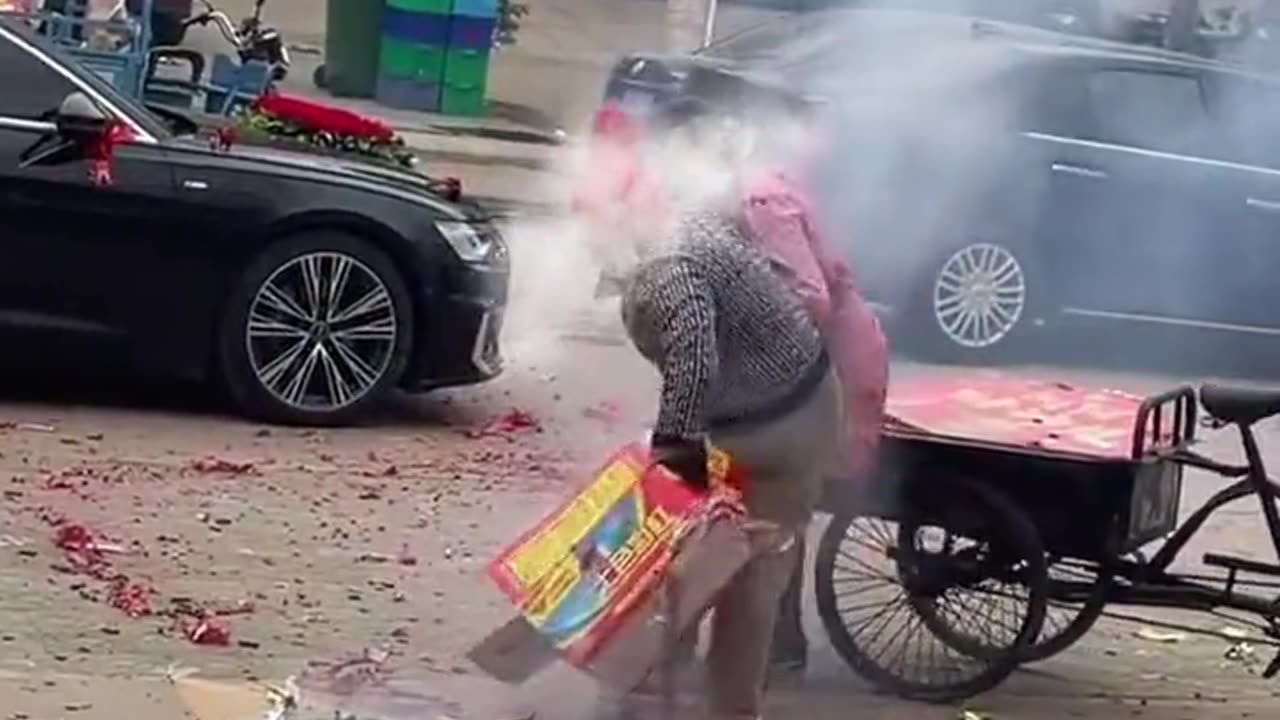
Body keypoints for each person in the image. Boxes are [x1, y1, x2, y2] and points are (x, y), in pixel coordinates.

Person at [617, 102, 845, 719]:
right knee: (722, 562)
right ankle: (669, 692)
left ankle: (707, 705)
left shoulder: (666, 264)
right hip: (792, 402)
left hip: (783, 426)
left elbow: (694, 359)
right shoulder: (696, 224)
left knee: (739, 578)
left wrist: (675, 451)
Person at [650, 95, 890, 675]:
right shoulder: (751, 192)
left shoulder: (764, 197)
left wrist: (753, 312)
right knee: (779, 508)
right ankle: (774, 644)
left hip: (818, 371)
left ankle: (731, 650)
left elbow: (811, 297)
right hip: (806, 375)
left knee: (760, 509)